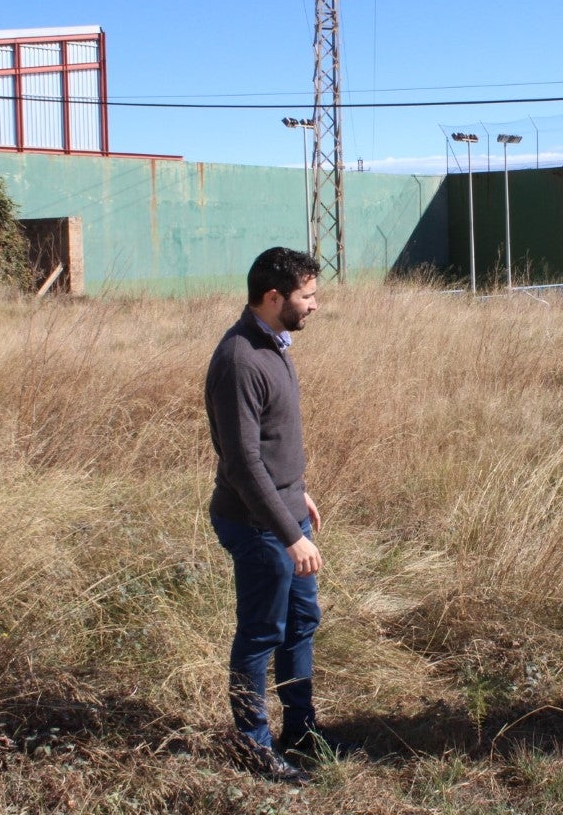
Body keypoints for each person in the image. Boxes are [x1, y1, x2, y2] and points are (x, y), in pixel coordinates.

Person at [205, 246, 351, 783]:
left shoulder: (273, 343)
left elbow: (273, 443)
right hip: (256, 523)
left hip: (284, 510)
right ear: (273, 297)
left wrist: (298, 492)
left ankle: (301, 729)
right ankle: (252, 744)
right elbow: (243, 464)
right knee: (262, 632)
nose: (314, 304)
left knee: (301, 623)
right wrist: (290, 532)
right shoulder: (240, 359)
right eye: (306, 296)